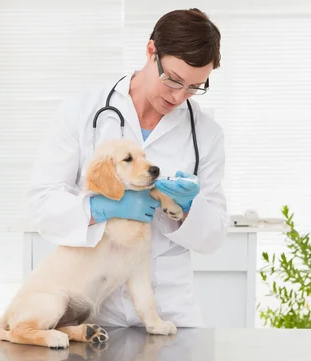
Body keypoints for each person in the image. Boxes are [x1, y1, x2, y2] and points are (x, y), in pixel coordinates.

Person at [26, 8, 229, 328]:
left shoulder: (205, 133)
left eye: (194, 87)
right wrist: (103, 207)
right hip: (93, 310)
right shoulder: (82, 111)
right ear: (151, 51)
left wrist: (189, 207)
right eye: (173, 79)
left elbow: (214, 236)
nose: (179, 96)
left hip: (170, 308)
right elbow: (42, 205)